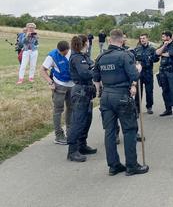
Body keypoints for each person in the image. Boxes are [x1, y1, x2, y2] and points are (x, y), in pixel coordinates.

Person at [93, 29, 148, 176]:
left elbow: (96, 79)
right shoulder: (125, 56)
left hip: (106, 96)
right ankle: (131, 165)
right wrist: (139, 69)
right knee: (129, 130)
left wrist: (100, 93)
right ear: (122, 40)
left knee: (109, 132)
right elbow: (134, 75)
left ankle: (114, 165)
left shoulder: (101, 57)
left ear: (110, 40)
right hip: (121, 95)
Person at [67, 35, 97, 162]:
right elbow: (85, 73)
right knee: (78, 121)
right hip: (81, 91)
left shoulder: (83, 56)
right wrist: (96, 70)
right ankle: (72, 151)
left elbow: (91, 65)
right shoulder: (77, 58)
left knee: (87, 119)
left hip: (87, 91)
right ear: (84, 43)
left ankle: (82, 145)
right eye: (88, 42)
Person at [39, 40, 74, 145]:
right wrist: (50, 82)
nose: (61, 54)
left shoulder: (73, 53)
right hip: (59, 86)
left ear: (68, 49)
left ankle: (70, 132)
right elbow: (42, 70)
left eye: (63, 53)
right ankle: (58, 135)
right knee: (58, 110)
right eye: (60, 52)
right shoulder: (52, 56)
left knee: (71, 109)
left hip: (72, 85)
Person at [156, 31, 173, 119]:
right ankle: (168, 109)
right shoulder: (163, 45)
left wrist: (162, 53)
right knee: (165, 91)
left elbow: (170, 54)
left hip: (172, 71)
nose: (162, 38)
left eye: (163, 37)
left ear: (168, 37)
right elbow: (156, 53)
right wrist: (164, 46)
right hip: (163, 71)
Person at [134, 34, 159, 114]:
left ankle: (149, 106)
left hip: (148, 72)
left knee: (149, 90)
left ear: (147, 39)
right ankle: (137, 107)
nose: (142, 40)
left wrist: (151, 58)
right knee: (138, 91)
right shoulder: (137, 49)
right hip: (139, 73)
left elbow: (156, 59)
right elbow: (133, 60)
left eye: (144, 38)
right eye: (141, 38)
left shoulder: (151, 49)